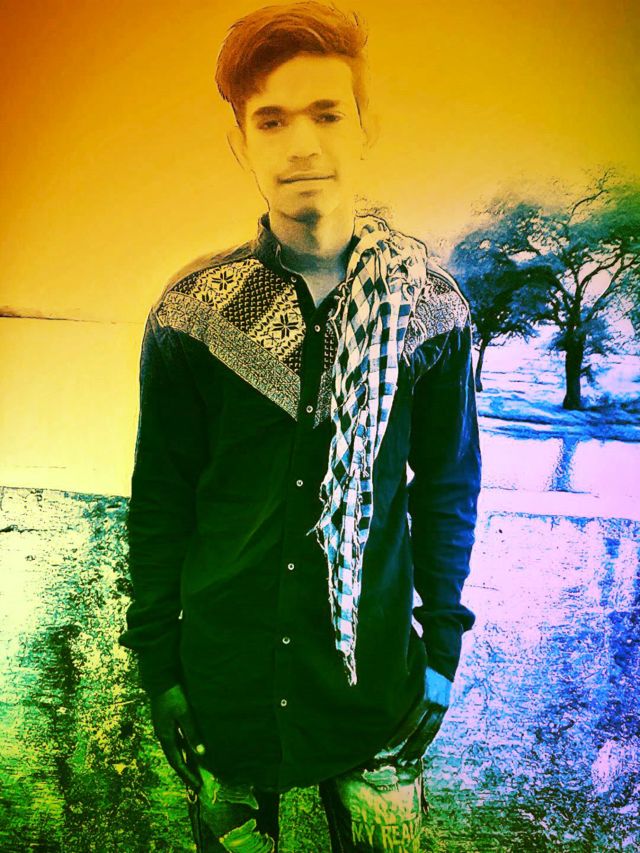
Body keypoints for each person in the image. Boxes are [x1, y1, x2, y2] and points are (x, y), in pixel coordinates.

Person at [118, 2, 482, 850]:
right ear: (240, 143)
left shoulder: (429, 308)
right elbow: (161, 500)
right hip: (225, 690)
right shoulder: (194, 313)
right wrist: (160, 669)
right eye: (272, 121)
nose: (302, 145)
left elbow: (448, 488)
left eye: (326, 114)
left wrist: (442, 653)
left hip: (377, 689)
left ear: (365, 126)